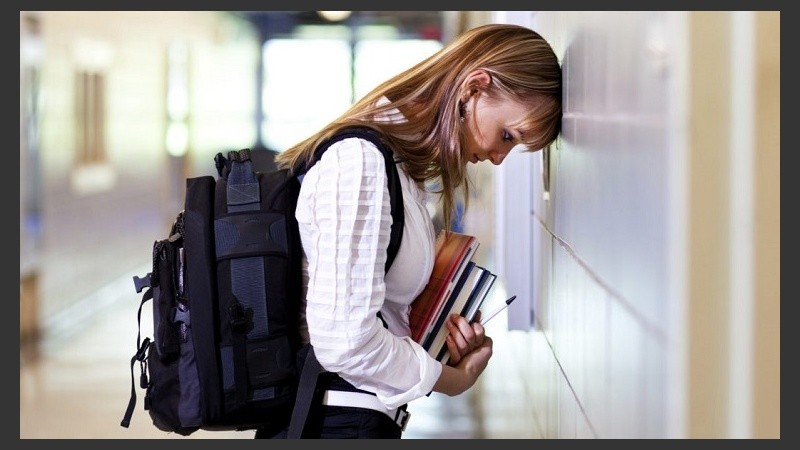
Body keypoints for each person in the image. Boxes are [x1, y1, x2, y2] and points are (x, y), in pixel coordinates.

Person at [255, 23, 562, 439]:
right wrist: (453, 379)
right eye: (507, 135)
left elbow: (374, 314)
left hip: (357, 419)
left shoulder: (401, 171)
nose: (498, 157)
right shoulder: (361, 163)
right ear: (474, 88)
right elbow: (346, 342)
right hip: (331, 422)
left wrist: (438, 338)